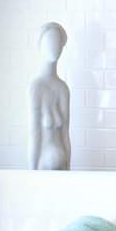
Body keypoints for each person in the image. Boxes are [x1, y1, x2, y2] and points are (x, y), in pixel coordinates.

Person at [29, 22, 71, 170]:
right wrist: (32, 172)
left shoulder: (63, 88)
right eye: (49, 41)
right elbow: (34, 135)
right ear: (40, 45)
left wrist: (69, 167)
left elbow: (65, 134)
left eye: (58, 42)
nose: (54, 46)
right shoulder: (36, 87)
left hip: (62, 165)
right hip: (43, 167)